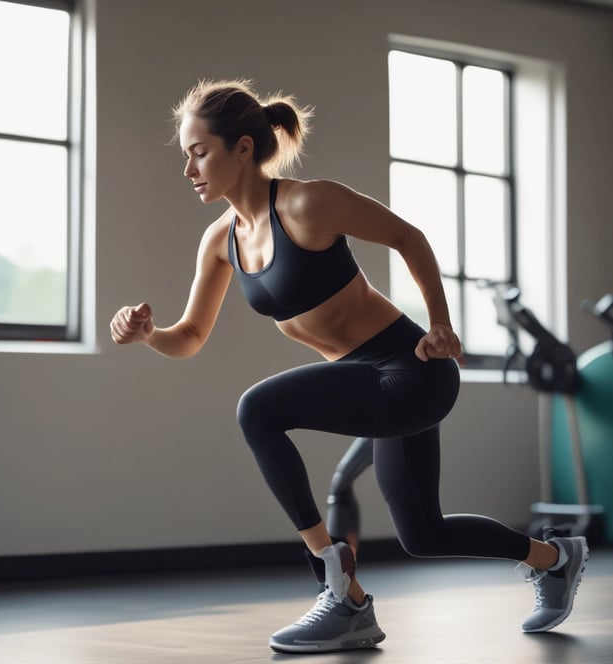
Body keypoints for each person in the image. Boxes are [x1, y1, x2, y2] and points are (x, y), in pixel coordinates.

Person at [110, 79, 589, 654]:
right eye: (185, 154)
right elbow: (188, 337)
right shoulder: (220, 241)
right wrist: (148, 336)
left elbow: (408, 238)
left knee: (258, 408)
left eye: (199, 151)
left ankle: (341, 589)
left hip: (411, 369)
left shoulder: (308, 203)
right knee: (423, 533)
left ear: (242, 148)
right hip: (369, 382)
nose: (188, 168)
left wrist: (440, 324)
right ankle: (556, 558)